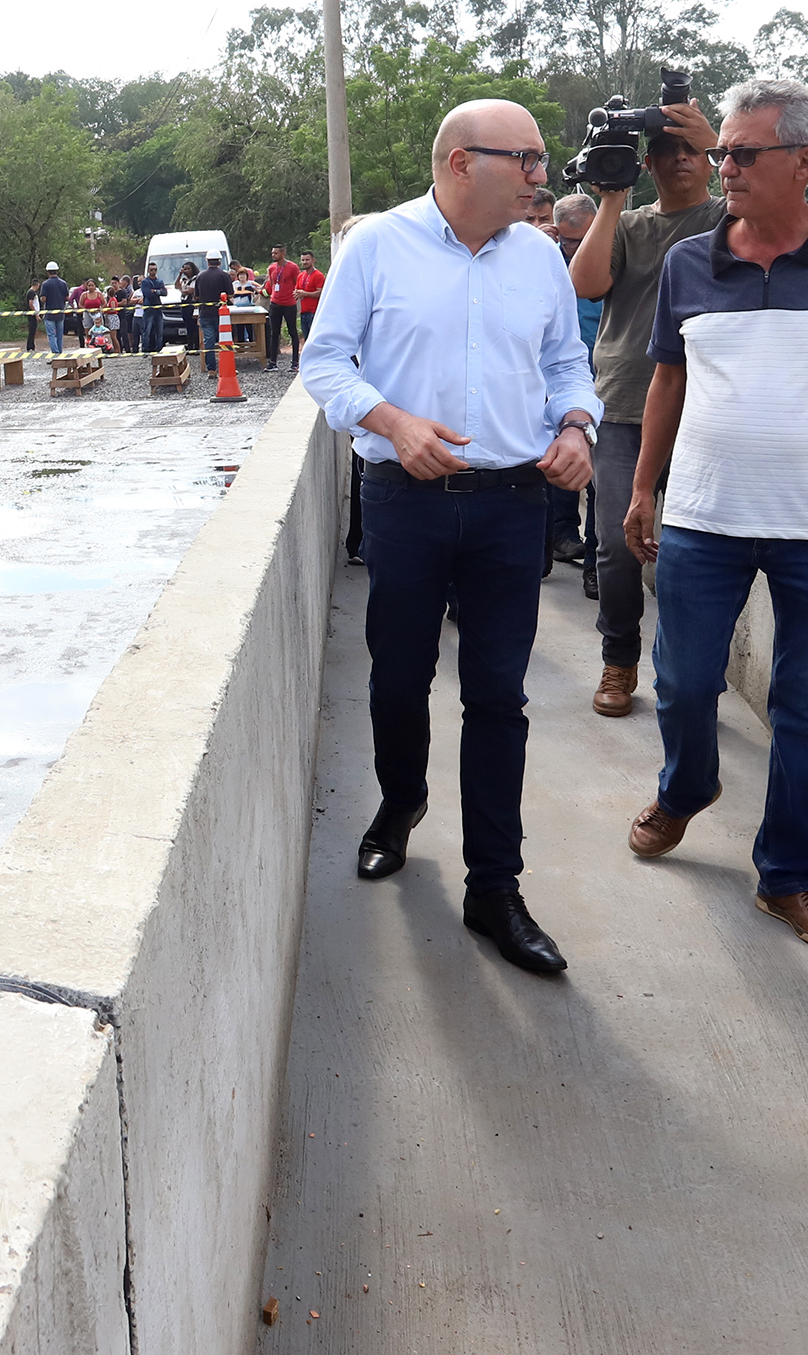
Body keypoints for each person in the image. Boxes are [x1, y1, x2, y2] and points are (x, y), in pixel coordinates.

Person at [621, 81, 808, 954]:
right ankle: (686, 789)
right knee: (682, 685)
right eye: (721, 152)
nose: (724, 169)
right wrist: (646, 490)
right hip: (703, 522)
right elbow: (668, 380)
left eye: (743, 154)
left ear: (805, 160)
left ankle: (790, 878)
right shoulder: (689, 261)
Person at [297, 99, 598, 978]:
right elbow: (325, 362)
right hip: (406, 500)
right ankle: (400, 804)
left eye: (544, 162)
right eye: (530, 161)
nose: (544, 177)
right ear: (463, 163)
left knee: (499, 698)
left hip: (513, 503)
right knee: (399, 675)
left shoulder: (541, 257)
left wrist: (577, 424)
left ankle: (493, 888)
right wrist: (392, 422)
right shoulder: (378, 246)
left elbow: (564, 361)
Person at [568, 92, 723, 718]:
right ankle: (619, 657)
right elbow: (585, 283)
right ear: (648, 164)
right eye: (664, 151)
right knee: (614, 544)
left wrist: (717, 139)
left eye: (692, 151)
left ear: (712, 161)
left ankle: (688, 674)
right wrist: (611, 196)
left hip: (706, 409)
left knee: (698, 551)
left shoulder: (726, 220)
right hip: (624, 404)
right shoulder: (629, 226)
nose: (679, 160)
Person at [545, 193, 604, 567]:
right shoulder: (545, 262)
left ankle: (596, 559)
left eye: (584, 240)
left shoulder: (609, 259)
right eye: (568, 241)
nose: (575, 248)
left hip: (606, 378)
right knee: (560, 462)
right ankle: (562, 535)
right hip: (558, 383)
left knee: (603, 477)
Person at [263, 246, 300, 370]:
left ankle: (295, 362)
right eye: (272, 253)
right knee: (274, 332)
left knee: (292, 331)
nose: (273, 255)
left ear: (283, 253)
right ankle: (273, 362)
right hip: (275, 303)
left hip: (289, 303)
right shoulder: (272, 268)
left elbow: (297, 282)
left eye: (276, 253)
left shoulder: (293, 267)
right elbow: (270, 284)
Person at [37, 261, 70, 355]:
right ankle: (60, 353)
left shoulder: (45, 284)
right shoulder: (63, 283)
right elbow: (67, 298)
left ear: (47, 272)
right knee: (59, 335)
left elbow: (43, 299)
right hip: (60, 312)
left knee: (51, 335)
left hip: (49, 313)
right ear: (57, 271)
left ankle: (55, 354)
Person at [293, 251, 323, 351]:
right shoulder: (300, 276)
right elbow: (297, 290)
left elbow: (320, 293)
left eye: (307, 260)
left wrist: (305, 293)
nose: (305, 262)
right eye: (303, 260)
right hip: (303, 311)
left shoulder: (318, 275)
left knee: (315, 339)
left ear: (313, 260)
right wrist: (296, 294)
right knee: (307, 338)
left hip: (314, 311)